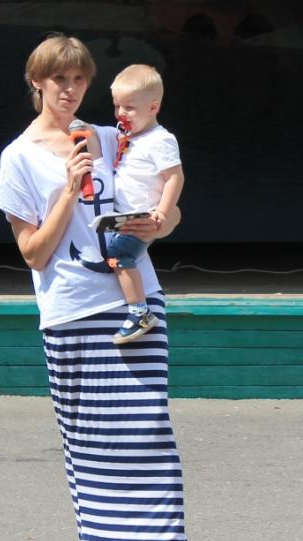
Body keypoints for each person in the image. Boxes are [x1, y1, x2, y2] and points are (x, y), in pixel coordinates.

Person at [0, 34, 204, 541]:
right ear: (37, 82)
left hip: (134, 301)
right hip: (68, 308)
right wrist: (67, 190)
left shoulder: (113, 137)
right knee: (85, 439)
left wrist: (161, 222)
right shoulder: (18, 157)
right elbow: (33, 253)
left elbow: (169, 206)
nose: (70, 89)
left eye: (80, 79)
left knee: (148, 431)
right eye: (59, 79)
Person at [105, 64, 185, 345]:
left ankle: (139, 312)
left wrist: (162, 212)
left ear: (153, 107)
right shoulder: (127, 137)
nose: (121, 113)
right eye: (117, 106)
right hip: (122, 217)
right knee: (111, 251)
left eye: (129, 108)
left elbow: (175, 177)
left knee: (118, 255)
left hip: (142, 218)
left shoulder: (160, 140)